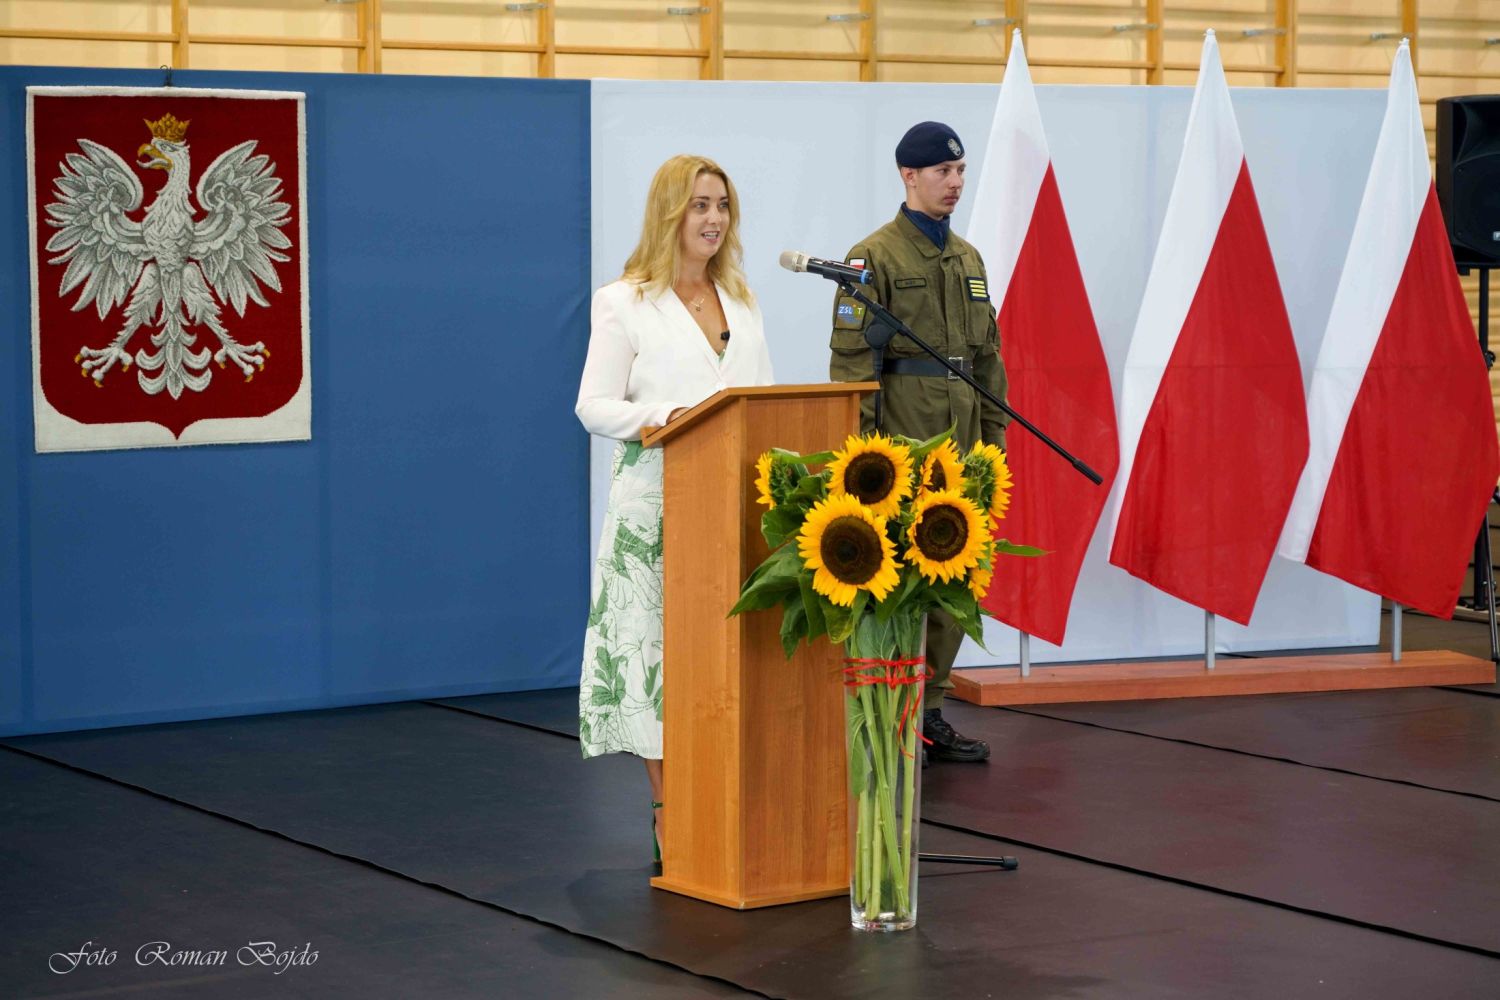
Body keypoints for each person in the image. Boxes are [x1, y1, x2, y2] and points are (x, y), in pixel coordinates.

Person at [575, 154, 775, 864]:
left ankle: (725, 802)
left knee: (726, 656)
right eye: (699, 205)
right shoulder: (624, 301)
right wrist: (671, 415)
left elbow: (763, 399)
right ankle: (670, 813)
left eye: (722, 205)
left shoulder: (741, 300)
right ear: (669, 213)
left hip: (735, 500)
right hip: (656, 503)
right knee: (655, 661)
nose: (713, 218)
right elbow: (593, 406)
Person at [829, 121, 1008, 765]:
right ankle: (889, 711)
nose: (955, 183)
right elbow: (852, 368)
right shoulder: (872, 257)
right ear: (909, 176)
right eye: (942, 172)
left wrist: (993, 446)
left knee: (955, 581)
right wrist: (866, 461)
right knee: (897, 583)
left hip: (963, 449)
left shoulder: (968, 259)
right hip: (901, 450)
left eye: (960, 172)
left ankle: (930, 711)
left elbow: (988, 359)